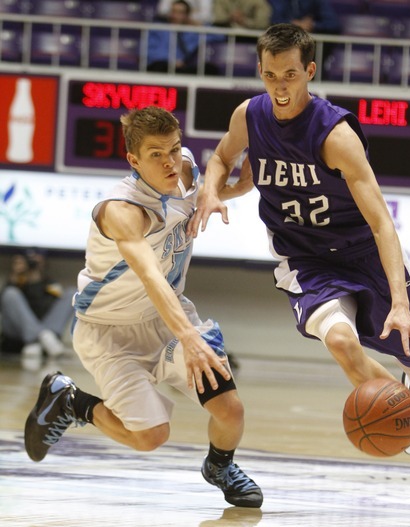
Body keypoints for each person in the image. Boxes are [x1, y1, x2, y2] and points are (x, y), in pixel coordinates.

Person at [187, 23, 410, 506]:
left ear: (309, 72)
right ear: (260, 70)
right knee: (340, 341)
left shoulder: (334, 134)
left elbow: (382, 223)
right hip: (305, 259)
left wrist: (398, 304)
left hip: (362, 252)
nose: (280, 85)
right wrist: (213, 192)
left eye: (291, 75)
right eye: (271, 74)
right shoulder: (248, 116)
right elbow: (220, 157)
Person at [23, 106, 263, 509]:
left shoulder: (183, 169)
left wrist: (235, 187)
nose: (170, 161)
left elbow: (210, 187)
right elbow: (151, 277)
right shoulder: (121, 211)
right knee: (150, 436)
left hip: (167, 317)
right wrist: (190, 338)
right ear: (133, 160)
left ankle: (219, 467)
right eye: (156, 154)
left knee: (230, 410)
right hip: (108, 332)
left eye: (175, 148)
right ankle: (70, 401)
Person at [0, 249, 74, 362]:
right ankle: (40, 337)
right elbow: (5, 307)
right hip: (17, 335)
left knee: (72, 293)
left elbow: (46, 310)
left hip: (45, 329)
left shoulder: (49, 283)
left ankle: (39, 339)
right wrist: (14, 278)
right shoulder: (14, 283)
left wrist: (35, 280)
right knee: (10, 293)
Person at [147, 0, 220, 75]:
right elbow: (147, 51)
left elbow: (220, 36)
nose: (175, 15)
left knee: (210, 69)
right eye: (173, 11)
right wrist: (172, 61)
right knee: (159, 66)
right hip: (162, 66)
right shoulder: (158, 28)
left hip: (181, 69)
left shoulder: (192, 32)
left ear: (187, 16)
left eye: (180, 13)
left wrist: (200, 25)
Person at [268, 0, 341, 35]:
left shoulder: (317, 2)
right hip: (283, 41)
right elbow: (274, 20)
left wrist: (312, 25)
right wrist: (292, 24)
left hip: (310, 45)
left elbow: (334, 24)